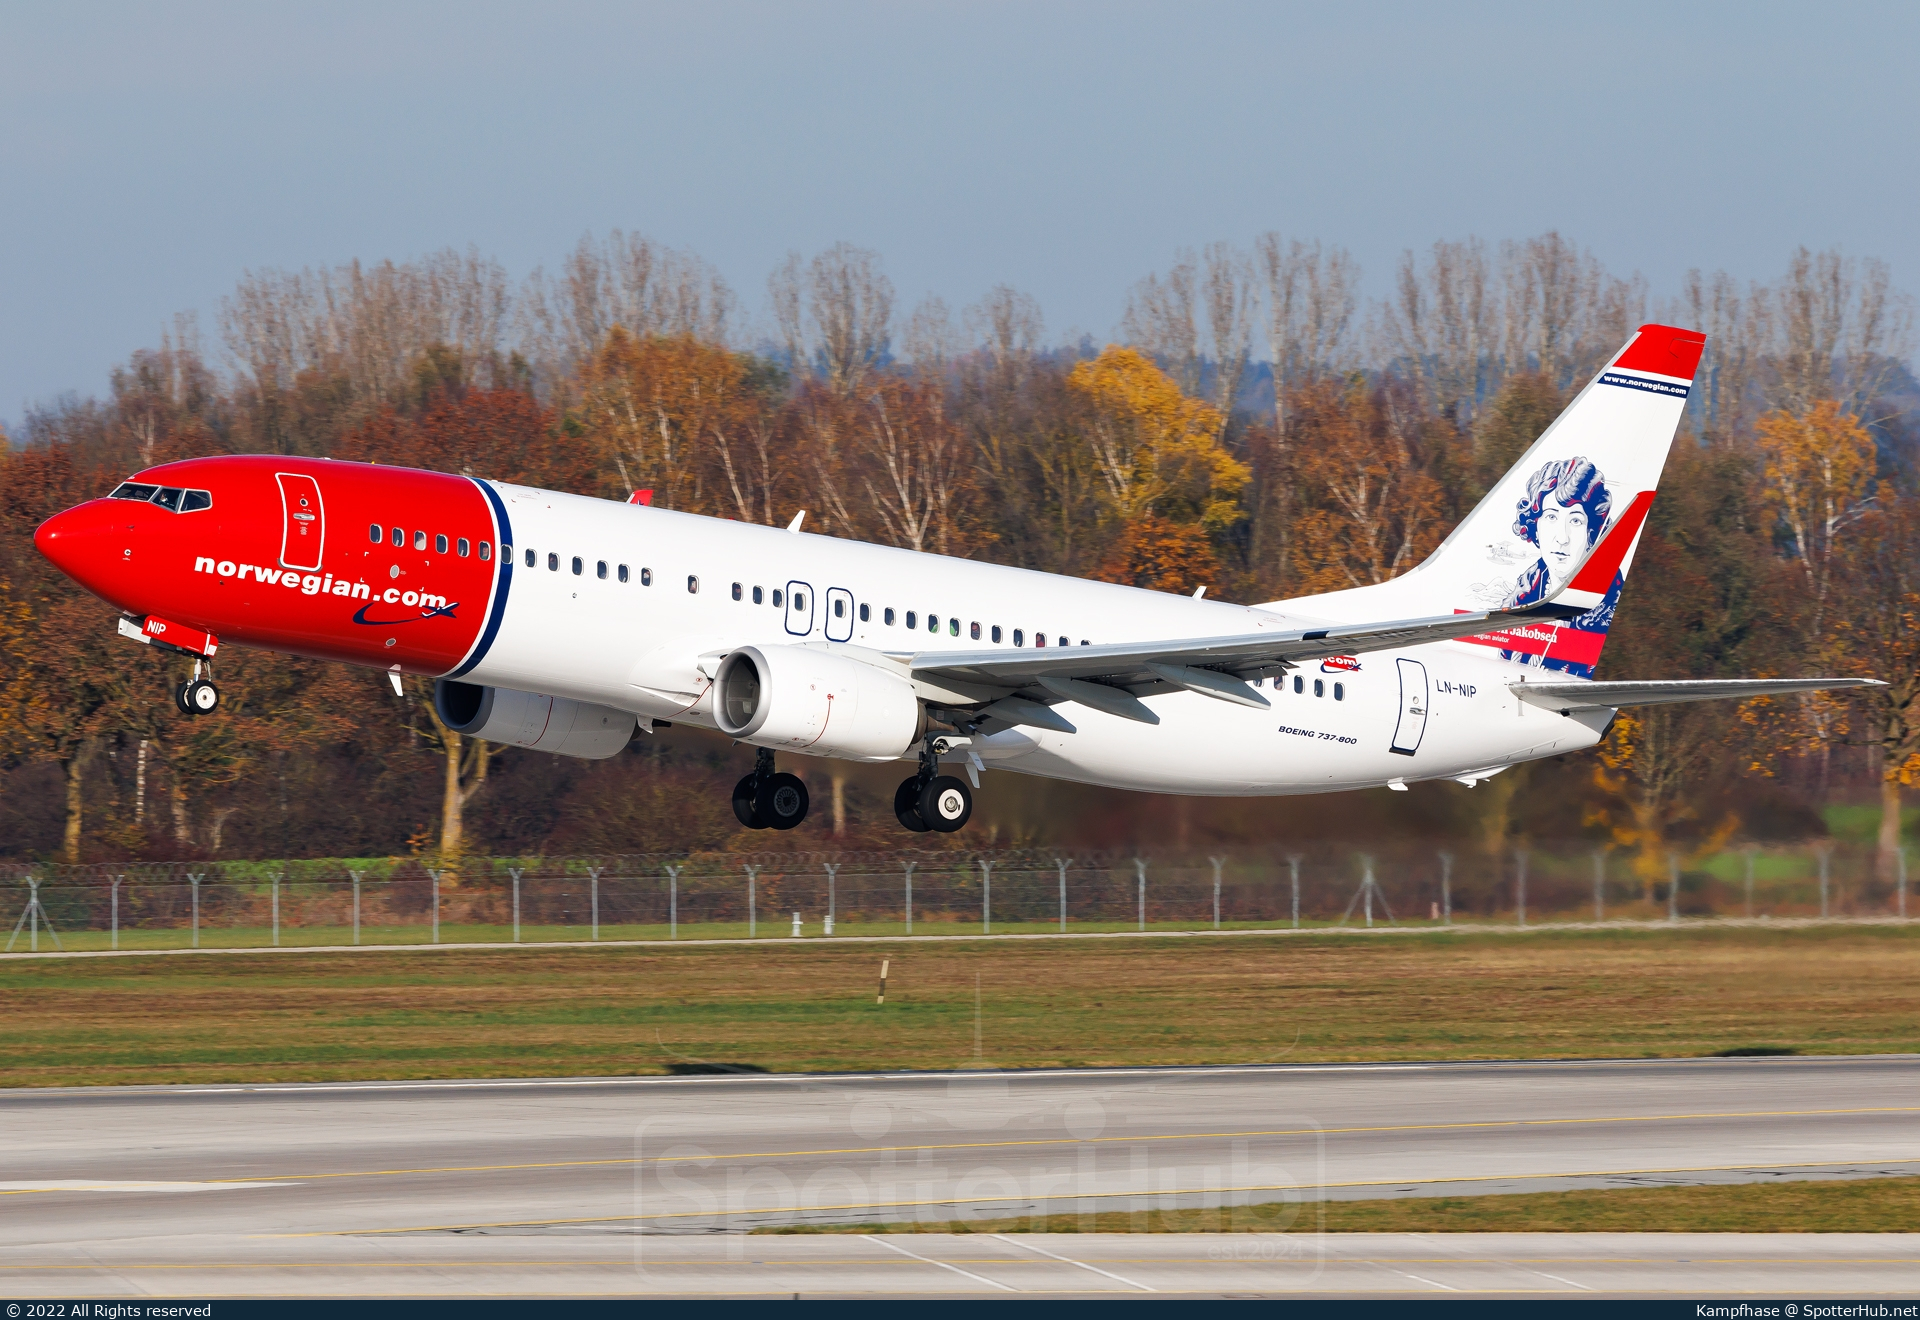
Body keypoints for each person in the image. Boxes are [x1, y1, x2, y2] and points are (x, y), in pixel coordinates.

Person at [1504, 457, 1611, 607]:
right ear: (1535, 527)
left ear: (1591, 533)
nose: (1562, 538)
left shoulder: (1601, 603)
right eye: (1551, 517)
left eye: (1575, 521)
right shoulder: (1524, 593)